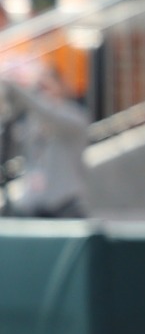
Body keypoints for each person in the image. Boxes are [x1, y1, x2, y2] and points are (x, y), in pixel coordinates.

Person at [0, 61, 91, 218]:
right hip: (35, 206)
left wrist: (20, 92)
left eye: (45, 86)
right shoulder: (31, 124)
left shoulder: (74, 117)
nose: (42, 94)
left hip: (66, 206)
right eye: (38, 89)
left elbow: (49, 114)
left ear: (60, 85)